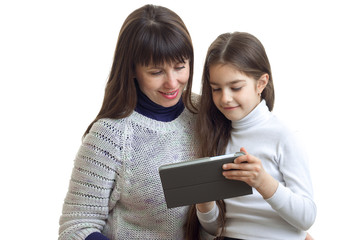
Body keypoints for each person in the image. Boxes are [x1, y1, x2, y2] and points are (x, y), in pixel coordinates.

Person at [58, 4, 198, 240]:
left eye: (180, 67)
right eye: (156, 72)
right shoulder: (110, 134)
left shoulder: (207, 112)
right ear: (132, 69)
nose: (172, 83)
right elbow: (75, 227)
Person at [184, 32, 316, 240]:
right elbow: (215, 228)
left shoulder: (282, 137)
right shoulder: (217, 136)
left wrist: (263, 182)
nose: (225, 98)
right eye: (216, 89)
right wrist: (205, 204)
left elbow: (307, 217)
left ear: (261, 83)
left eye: (235, 87)